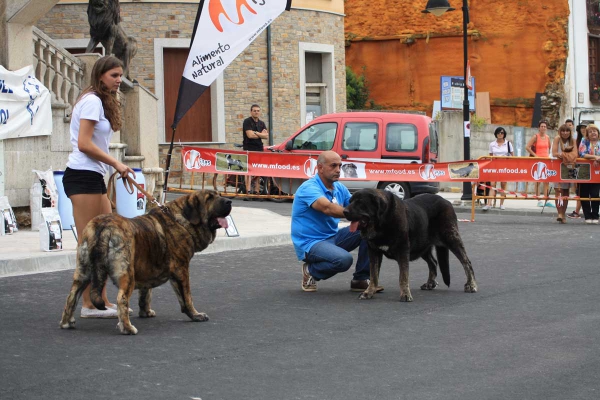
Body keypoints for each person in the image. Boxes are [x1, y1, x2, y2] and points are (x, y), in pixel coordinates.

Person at [62, 55, 136, 318]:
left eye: (120, 75)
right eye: (114, 75)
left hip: (92, 176)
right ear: (101, 75)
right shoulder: (93, 100)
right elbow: (84, 143)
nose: (119, 80)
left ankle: (100, 301)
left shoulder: (96, 99)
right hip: (83, 176)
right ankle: (89, 304)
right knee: (90, 243)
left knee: (104, 241)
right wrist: (117, 163)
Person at [291, 151, 380, 292]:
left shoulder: (339, 188)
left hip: (333, 237)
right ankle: (310, 270)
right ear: (320, 167)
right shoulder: (308, 188)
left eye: (340, 166)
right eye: (333, 166)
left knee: (369, 228)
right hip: (310, 243)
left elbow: (355, 206)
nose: (338, 170)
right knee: (344, 260)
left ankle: (361, 279)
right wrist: (359, 215)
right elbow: (327, 208)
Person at [482, 127, 513, 211]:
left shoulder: (508, 144)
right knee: (492, 185)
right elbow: (490, 156)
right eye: (499, 133)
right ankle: (489, 203)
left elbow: (512, 156)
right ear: (496, 134)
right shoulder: (492, 144)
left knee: (503, 185)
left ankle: (501, 204)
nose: (500, 134)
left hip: (504, 166)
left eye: (502, 133)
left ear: (504, 134)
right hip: (495, 166)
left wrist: (505, 158)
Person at [552, 124, 578, 223]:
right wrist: (566, 155)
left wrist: (563, 155)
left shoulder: (573, 140)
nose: (565, 133)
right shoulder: (557, 139)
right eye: (563, 131)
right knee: (558, 191)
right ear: (560, 131)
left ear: (570, 132)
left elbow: (575, 153)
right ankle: (559, 213)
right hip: (558, 167)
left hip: (569, 167)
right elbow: (554, 152)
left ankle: (563, 215)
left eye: (567, 131)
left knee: (566, 192)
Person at [242, 104, 269, 195]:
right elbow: (249, 135)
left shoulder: (262, 123)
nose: (256, 112)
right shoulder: (247, 121)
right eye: (254, 110)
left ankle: (257, 191)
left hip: (259, 149)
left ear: (260, 112)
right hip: (248, 148)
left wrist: (255, 133)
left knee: (257, 170)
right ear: (251, 111)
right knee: (248, 170)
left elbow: (266, 136)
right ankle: (248, 190)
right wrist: (260, 134)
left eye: (258, 110)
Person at [526, 120, 553, 207]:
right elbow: (527, 147)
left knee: (546, 181)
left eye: (545, 126)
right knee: (538, 181)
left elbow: (550, 148)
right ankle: (539, 199)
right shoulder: (535, 137)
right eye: (542, 126)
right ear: (539, 128)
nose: (543, 128)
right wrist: (535, 155)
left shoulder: (548, 137)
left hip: (546, 160)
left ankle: (546, 198)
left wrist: (550, 157)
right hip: (538, 160)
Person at [578, 124, 600, 224]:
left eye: (594, 131)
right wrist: (595, 157)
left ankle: (595, 215)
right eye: (590, 131)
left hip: (596, 172)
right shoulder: (584, 141)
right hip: (584, 171)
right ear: (587, 134)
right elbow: (582, 153)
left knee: (595, 193)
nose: (593, 133)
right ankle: (587, 216)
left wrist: (597, 159)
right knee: (584, 193)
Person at [567, 124, 587, 219]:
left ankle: (581, 211)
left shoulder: (590, 140)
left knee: (590, 191)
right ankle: (577, 211)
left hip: (588, 167)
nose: (583, 130)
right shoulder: (576, 140)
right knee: (579, 190)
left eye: (585, 128)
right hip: (578, 166)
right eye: (582, 128)